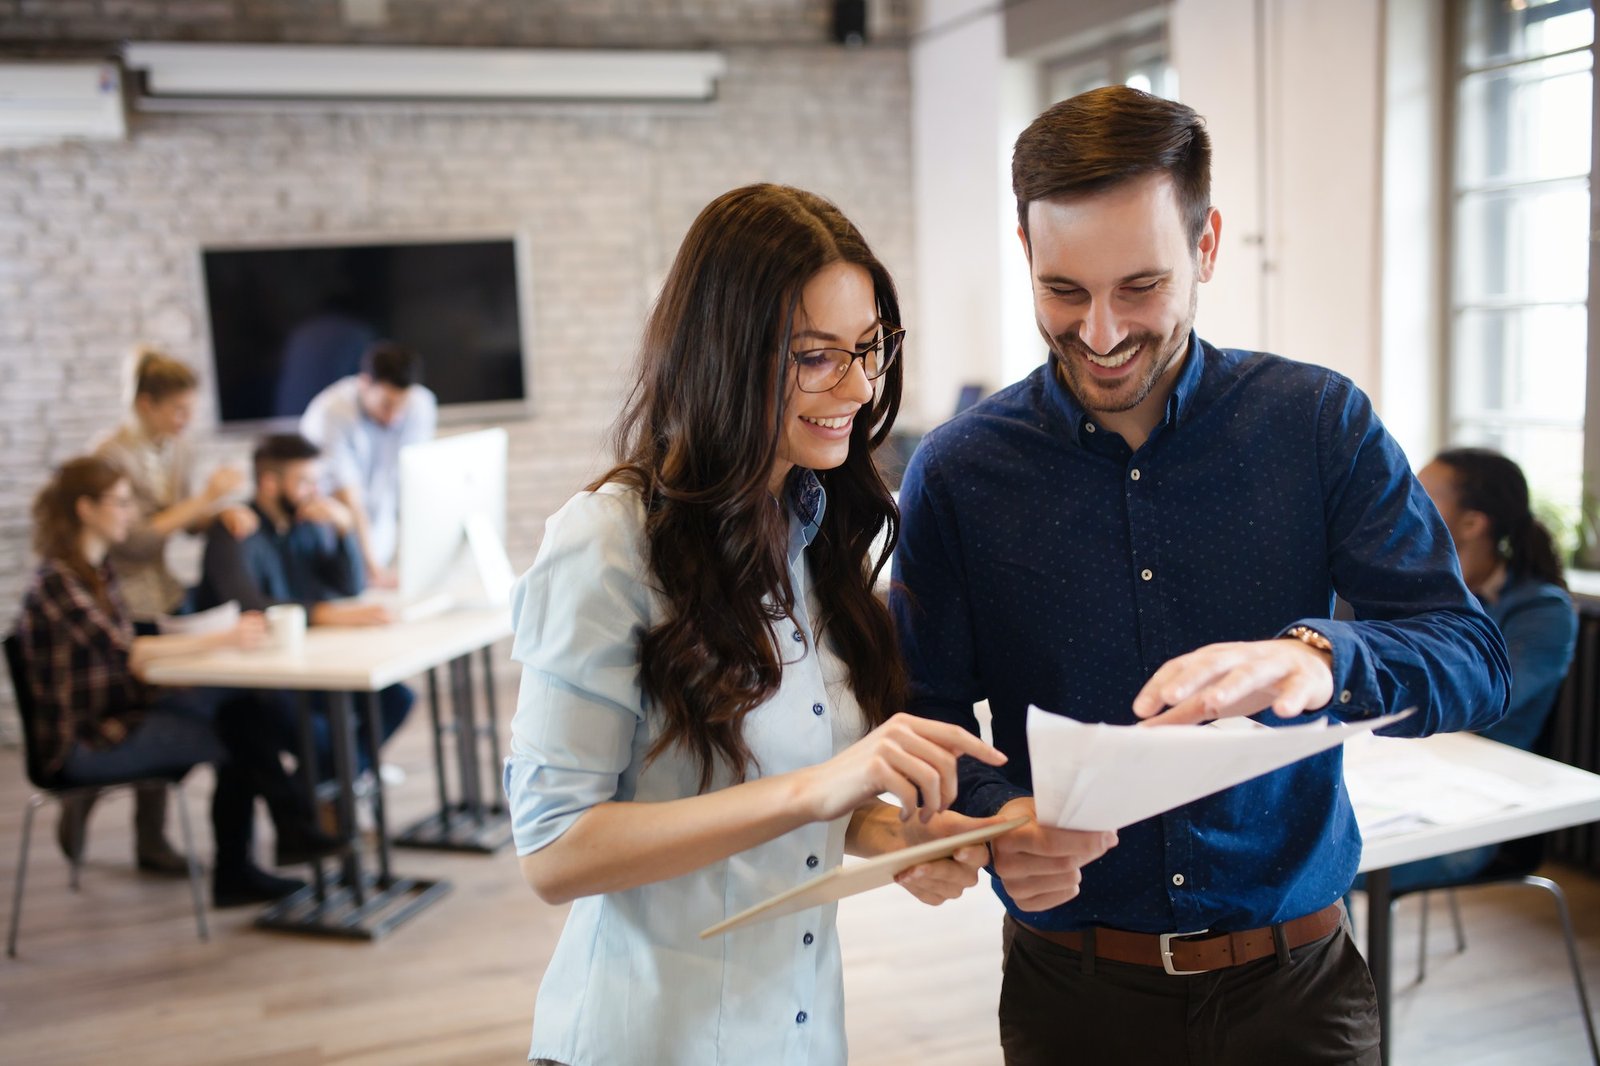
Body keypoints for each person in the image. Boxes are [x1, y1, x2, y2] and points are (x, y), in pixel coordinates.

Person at [890, 86, 1512, 1065]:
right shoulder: (959, 473)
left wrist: (1317, 657)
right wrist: (985, 822)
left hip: (1294, 990)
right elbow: (919, 720)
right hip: (1072, 996)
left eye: (1139, 286)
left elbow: (1471, 653)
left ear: (1208, 245)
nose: (1099, 333)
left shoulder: (1316, 424)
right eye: (1063, 291)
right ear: (1024, 253)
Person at [503, 183, 1027, 1066]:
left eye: (869, 349)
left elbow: (803, 801)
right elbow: (555, 851)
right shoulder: (607, 544)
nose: (859, 386)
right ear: (724, 357)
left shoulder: (818, 533)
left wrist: (893, 836)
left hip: (800, 1037)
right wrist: (825, 793)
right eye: (817, 356)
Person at [16, 457, 338, 907]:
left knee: (242, 709)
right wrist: (222, 638)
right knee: (239, 730)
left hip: (122, 716)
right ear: (86, 509)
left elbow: (132, 655)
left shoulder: (98, 573)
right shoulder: (58, 582)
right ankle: (269, 845)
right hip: (88, 742)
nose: (132, 514)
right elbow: (130, 654)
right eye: (123, 503)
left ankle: (277, 839)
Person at [1362, 447, 1577, 890]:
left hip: (1475, 812)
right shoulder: (1415, 593)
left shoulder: (1541, 611)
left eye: (1421, 491)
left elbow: (1478, 701)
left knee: (1327, 862)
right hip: (1403, 779)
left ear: (1473, 524)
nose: (1403, 499)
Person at [89, 347, 257, 875]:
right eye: (177, 410)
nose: (186, 420)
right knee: (149, 708)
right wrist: (205, 496)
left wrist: (218, 514)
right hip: (127, 595)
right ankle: (136, 828)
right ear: (145, 403)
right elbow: (133, 542)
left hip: (164, 592)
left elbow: (182, 523)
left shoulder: (175, 450)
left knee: (171, 705)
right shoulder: (111, 459)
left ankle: (146, 834)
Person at [190, 432, 414, 779]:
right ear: (268, 483)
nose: (315, 491)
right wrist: (330, 615)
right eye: (305, 481)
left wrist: (344, 531)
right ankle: (326, 799)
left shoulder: (307, 524)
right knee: (324, 739)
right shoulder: (235, 528)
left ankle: (328, 793)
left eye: (317, 481)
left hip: (307, 666)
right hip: (257, 681)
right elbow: (249, 605)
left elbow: (350, 586)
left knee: (396, 699)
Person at [298, 340, 437, 588]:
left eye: (401, 405)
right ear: (364, 383)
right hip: (332, 538)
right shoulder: (330, 412)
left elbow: (416, 481)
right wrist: (375, 571)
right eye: (386, 404)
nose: (394, 416)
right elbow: (349, 497)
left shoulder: (421, 404)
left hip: (380, 531)